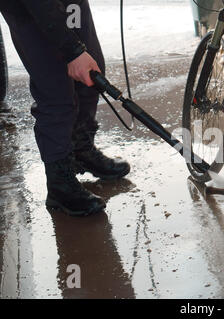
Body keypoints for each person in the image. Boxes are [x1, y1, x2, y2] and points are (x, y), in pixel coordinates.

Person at [0, 0, 130, 216]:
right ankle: (59, 184)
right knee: (56, 92)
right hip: (31, 7)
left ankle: (81, 150)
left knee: (91, 74)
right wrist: (73, 52)